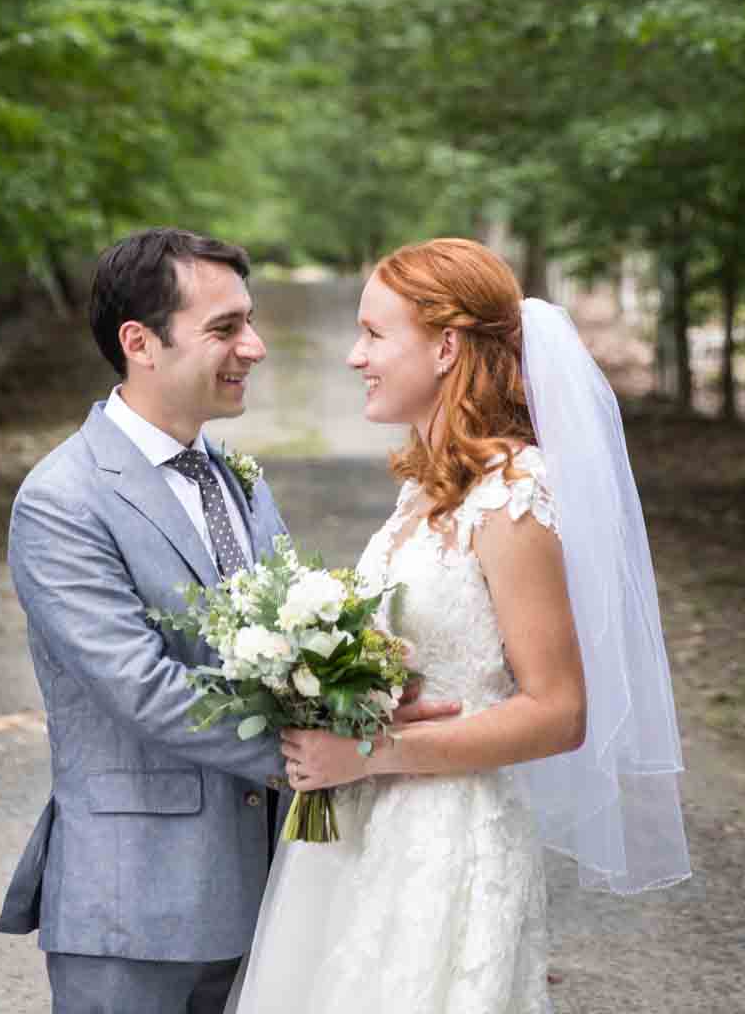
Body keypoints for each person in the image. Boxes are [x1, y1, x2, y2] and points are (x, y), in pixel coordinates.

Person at [0, 226, 458, 1014]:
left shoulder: (233, 476)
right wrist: (327, 753)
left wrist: (365, 694)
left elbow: (285, 649)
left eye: (248, 321)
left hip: (272, 883)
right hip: (135, 899)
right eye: (224, 328)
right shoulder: (62, 499)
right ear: (139, 342)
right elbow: (142, 688)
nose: (254, 346)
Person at [228, 237, 690, 1014]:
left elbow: (559, 711)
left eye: (374, 333)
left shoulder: (514, 492)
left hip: (444, 841)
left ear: (446, 346)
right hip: (366, 827)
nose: (353, 356)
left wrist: (368, 751)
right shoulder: (429, 492)